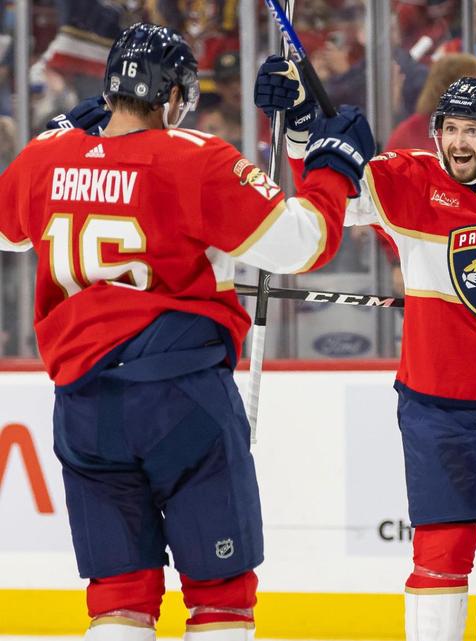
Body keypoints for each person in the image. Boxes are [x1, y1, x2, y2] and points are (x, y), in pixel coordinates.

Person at [0, 23, 373, 641]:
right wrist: (333, 168)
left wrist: (63, 135)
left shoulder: (45, 159)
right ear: (173, 96)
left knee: (118, 598)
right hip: (181, 399)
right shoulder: (196, 158)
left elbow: (10, 228)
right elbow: (302, 244)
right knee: (221, 596)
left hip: (84, 407)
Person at [256, 68, 476, 641]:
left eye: (473, 131)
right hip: (438, 403)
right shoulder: (405, 179)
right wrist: (298, 132)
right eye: (451, 129)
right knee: (444, 548)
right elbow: (329, 192)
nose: (459, 143)